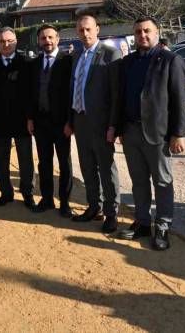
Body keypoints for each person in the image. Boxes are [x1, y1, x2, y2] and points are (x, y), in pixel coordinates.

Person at [116, 17, 185, 251]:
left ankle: (163, 226)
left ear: (157, 32)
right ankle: (142, 222)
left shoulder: (170, 60)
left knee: (163, 182)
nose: (142, 35)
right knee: (138, 182)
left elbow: (179, 101)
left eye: (147, 31)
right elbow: (121, 97)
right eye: (138, 32)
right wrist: (117, 128)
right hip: (131, 131)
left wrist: (178, 134)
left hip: (158, 134)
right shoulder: (128, 62)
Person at [65, 14, 121, 233]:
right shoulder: (77, 55)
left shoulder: (110, 54)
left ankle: (111, 213)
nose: (85, 34)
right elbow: (73, 90)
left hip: (101, 123)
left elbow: (116, 94)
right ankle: (93, 207)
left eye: (88, 29)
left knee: (106, 169)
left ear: (97, 29)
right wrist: (70, 121)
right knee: (87, 167)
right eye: (80, 30)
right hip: (80, 121)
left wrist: (113, 125)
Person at [0, 27, 35, 209]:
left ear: (15, 42)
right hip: (0, 121)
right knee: (1, 159)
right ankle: (5, 192)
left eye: (9, 41)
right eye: (2, 41)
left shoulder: (27, 63)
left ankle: (27, 193)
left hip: (22, 121)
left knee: (25, 159)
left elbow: (31, 94)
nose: (6, 44)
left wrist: (31, 118)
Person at [26, 24, 73, 216]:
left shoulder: (67, 61)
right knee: (44, 163)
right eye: (44, 38)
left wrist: (71, 121)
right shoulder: (34, 64)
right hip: (40, 122)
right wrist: (30, 118)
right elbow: (29, 93)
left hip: (62, 123)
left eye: (51, 37)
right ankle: (47, 200)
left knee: (64, 164)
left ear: (58, 39)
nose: (47, 41)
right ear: (38, 41)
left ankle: (64, 203)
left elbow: (72, 94)